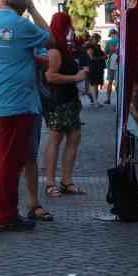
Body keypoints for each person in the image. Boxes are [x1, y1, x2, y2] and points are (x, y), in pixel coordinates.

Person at [0, 0, 53, 231]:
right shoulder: (22, 25)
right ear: (23, 6)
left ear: (4, 0)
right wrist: (34, 10)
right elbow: (51, 38)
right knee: (9, 159)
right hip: (15, 102)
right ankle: (5, 215)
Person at [41, 11, 87, 207]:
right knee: (56, 137)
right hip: (58, 100)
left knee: (74, 136)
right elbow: (50, 77)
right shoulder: (54, 50)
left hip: (68, 99)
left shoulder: (64, 48)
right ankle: (50, 182)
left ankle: (66, 180)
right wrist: (76, 78)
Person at [85, 35, 106, 108]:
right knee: (93, 84)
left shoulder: (97, 46)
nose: (98, 41)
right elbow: (92, 57)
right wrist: (102, 57)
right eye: (97, 39)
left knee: (95, 84)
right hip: (93, 68)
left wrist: (103, 55)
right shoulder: (89, 47)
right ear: (93, 39)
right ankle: (95, 101)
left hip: (98, 68)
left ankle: (95, 101)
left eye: (98, 39)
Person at [103, 30, 120, 104]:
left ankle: (108, 99)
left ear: (112, 34)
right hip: (120, 62)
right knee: (118, 82)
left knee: (110, 81)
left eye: (110, 35)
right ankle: (119, 100)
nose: (111, 36)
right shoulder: (121, 40)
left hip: (111, 62)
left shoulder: (109, 42)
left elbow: (105, 52)